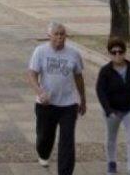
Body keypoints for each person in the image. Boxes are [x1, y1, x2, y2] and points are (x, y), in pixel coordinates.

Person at [28, 22, 86, 175]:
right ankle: (43, 153)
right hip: (46, 104)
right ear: (49, 36)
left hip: (68, 104)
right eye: (56, 34)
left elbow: (79, 77)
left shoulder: (73, 53)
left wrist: (83, 99)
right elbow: (32, 74)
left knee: (67, 141)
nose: (59, 37)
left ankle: (65, 172)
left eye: (62, 34)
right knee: (44, 137)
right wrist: (40, 92)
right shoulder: (40, 51)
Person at [96, 37, 130, 175]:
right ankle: (111, 162)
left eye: (121, 51)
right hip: (113, 110)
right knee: (111, 137)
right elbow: (100, 91)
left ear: (125, 52)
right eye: (114, 52)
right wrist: (108, 109)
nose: (118, 55)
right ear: (109, 53)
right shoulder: (105, 71)